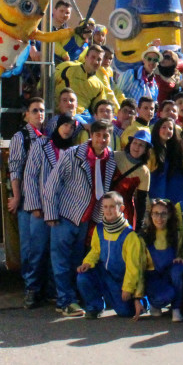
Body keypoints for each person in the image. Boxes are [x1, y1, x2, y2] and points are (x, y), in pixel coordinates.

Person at [43, 120, 117, 317]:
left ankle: (72, 296)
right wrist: (50, 213)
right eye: (98, 135)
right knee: (60, 260)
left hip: (86, 218)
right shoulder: (73, 154)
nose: (102, 139)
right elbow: (52, 184)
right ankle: (65, 301)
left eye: (106, 135)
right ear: (91, 135)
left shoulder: (110, 159)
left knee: (76, 259)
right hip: (65, 215)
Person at [22, 112, 78, 309]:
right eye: (64, 125)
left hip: (64, 211)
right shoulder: (42, 145)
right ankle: (32, 289)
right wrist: (34, 205)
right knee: (37, 251)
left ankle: (55, 291)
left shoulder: (74, 150)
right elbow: (30, 176)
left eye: (71, 127)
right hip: (42, 209)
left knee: (60, 254)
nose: (67, 129)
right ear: (56, 126)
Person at [76, 192, 147, 319]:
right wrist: (87, 262)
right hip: (104, 274)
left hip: (120, 280)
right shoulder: (99, 229)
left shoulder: (129, 236)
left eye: (112, 207)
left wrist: (128, 288)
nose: (108, 210)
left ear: (121, 208)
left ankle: (142, 302)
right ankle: (94, 307)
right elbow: (95, 251)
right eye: (105, 207)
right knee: (83, 277)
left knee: (125, 312)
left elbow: (134, 267)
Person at [9, 97, 46, 307]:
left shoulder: (48, 136)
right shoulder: (20, 137)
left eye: (41, 110)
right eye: (35, 111)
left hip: (45, 201)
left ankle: (41, 288)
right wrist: (16, 197)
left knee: (41, 247)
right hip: (26, 201)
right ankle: (30, 288)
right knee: (29, 248)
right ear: (26, 114)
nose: (39, 114)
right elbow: (15, 169)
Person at [141, 199, 183, 322]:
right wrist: (137, 296)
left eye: (163, 214)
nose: (159, 218)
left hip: (169, 273)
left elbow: (182, 252)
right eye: (156, 213)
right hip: (153, 276)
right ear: (150, 215)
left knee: (180, 270)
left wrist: (181, 259)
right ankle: (155, 304)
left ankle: (176, 308)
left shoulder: (176, 234)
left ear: (169, 215)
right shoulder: (143, 236)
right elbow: (137, 266)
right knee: (165, 295)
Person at [55, 45, 116, 115]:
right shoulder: (68, 68)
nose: (96, 62)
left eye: (99, 59)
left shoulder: (99, 85)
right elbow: (47, 83)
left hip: (82, 117)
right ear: (86, 57)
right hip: (60, 113)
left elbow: (99, 108)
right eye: (93, 57)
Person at [111, 130, 152, 229]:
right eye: (135, 143)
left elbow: (141, 201)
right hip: (105, 204)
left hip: (125, 212)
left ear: (146, 149)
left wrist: (138, 226)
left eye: (141, 145)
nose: (136, 147)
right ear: (130, 143)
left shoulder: (144, 172)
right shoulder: (114, 156)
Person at [147, 117, 183, 203]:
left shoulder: (170, 151)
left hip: (164, 200)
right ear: (157, 128)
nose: (167, 130)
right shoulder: (151, 151)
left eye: (170, 128)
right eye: (164, 127)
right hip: (152, 200)